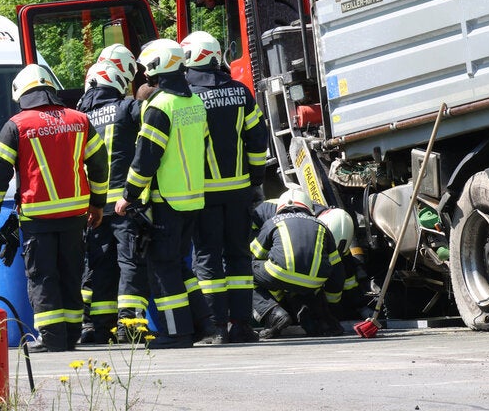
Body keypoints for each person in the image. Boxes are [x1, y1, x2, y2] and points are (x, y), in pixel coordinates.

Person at [0, 64, 108, 353]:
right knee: (70, 273)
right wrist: (98, 203)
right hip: (76, 214)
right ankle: (71, 335)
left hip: (37, 215)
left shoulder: (17, 125)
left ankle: (51, 339)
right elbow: (100, 162)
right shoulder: (79, 120)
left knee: (43, 276)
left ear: (21, 93)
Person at [115, 39, 215, 349]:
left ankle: (176, 333)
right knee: (181, 266)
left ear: (155, 67)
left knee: (164, 266)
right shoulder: (194, 103)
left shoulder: (160, 106)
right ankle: (203, 324)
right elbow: (206, 149)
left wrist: (128, 195)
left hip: (166, 200)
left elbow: (146, 157)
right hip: (193, 198)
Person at [181, 30, 268, 344]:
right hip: (239, 191)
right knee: (238, 258)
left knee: (207, 258)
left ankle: (216, 327)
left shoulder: (186, 96)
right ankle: (243, 326)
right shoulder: (241, 92)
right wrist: (255, 178)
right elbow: (258, 139)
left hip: (202, 193)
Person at [75, 54, 149, 344]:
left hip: (94, 205)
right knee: (129, 262)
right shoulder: (127, 107)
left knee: (99, 264)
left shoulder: (80, 118)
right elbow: (157, 127)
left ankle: (96, 326)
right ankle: (129, 326)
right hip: (125, 203)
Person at [250, 188, 344, 339]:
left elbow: (255, 256)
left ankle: (273, 313)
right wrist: (333, 306)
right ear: (308, 207)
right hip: (315, 282)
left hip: (280, 274)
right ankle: (321, 319)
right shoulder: (321, 225)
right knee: (298, 279)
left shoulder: (271, 222)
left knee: (243, 272)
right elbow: (337, 270)